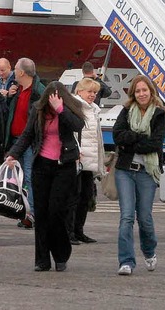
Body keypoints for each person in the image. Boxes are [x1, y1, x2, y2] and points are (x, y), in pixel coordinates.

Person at [4, 82, 85, 272]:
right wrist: (13, 154)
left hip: (64, 166)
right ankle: (42, 260)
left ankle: (61, 255)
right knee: (41, 214)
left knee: (56, 212)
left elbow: (77, 125)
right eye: (50, 101)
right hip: (42, 165)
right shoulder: (38, 110)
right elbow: (27, 135)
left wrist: (61, 109)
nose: (52, 104)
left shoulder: (72, 108)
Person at [112, 75, 165, 275]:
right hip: (125, 170)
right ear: (133, 94)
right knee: (126, 216)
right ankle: (126, 261)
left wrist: (131, 141)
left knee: (144, 217)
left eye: (145, 90)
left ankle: (149, 251)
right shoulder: (126, 111)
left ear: (151, 92)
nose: (142, 94)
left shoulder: (160, 114)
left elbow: (154, 143)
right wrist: (139, 137)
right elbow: (118, 136)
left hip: (147, 172)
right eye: (138, 91)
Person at [5, 58, 46, 228]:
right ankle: (23, 212)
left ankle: (32, 214)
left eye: (15, 69)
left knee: (29, 176)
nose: (13, 72)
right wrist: (9, 96)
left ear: (22, 72)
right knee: (19, 179)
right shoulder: (18, 90)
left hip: (29, 141)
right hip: (17, 141)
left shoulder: (38, 91)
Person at [68, 78, 104, 245]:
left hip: (89, 160)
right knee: (74, 196)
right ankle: (69, 232)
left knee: (85, 197)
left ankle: (78, 230)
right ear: (79, 91)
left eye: (95, 92)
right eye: (89, 91)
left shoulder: (94, 110)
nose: (93, 95)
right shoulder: (75, 107)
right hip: (78, 159)